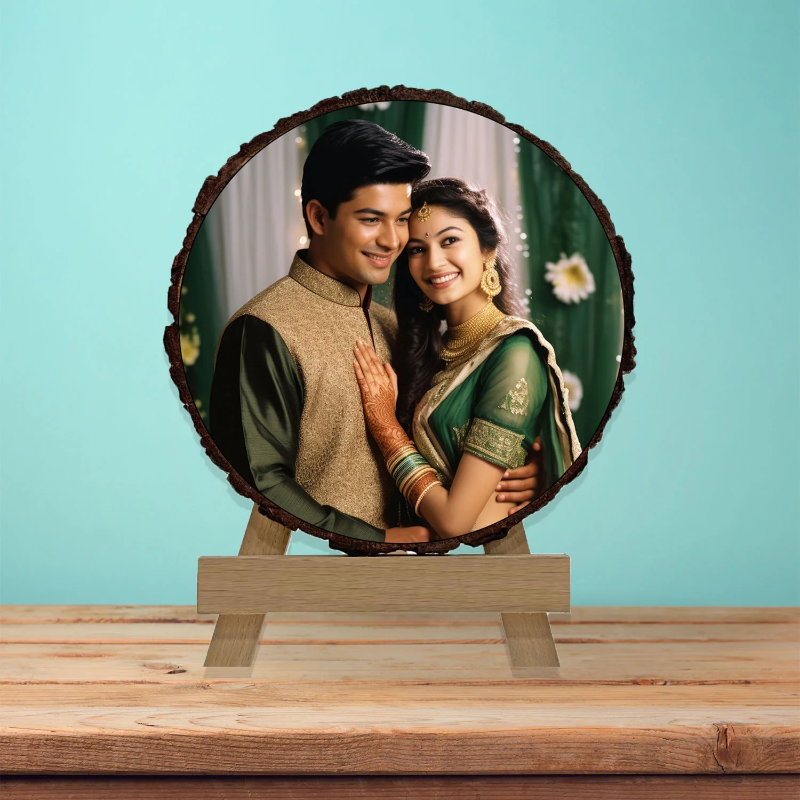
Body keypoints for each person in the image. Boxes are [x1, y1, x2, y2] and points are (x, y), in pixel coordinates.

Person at [210, 122, 540, 544]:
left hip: (416, 588)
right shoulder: (262, 328)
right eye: (371, 219)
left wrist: (516, 472)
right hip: (312, 583)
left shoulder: (395, 326)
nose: (391, 240)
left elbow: (446, 437)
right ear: (318, 216)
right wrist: (378, 540)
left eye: (401, 220)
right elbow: (262, 481)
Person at [353, 178, 581, 539]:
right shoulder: (433, 350)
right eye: (416, 249)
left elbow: (454, 522)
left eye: (450, 240)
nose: (433, 262)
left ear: (487, 249)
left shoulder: (515, 354)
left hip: (480, 568)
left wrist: (385, 427)